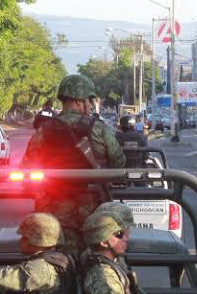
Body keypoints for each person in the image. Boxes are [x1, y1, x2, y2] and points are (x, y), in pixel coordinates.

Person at [22, 74, 125, 249]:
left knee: (53, 260)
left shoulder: (44, 130)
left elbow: (26, 167)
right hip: (93, 213)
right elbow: (119, 163)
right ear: (79, 101)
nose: (90, 105)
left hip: (53, 214)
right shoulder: (98, 129)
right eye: (89, 100)